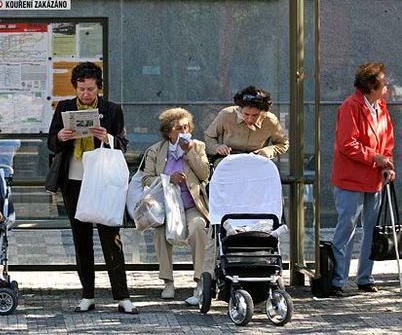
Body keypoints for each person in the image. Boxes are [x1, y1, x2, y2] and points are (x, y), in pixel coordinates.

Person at [47, 61, 138, 314]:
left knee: (112, 238)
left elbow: (123, 144)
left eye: (90, 89)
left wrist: (107, 137)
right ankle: (87, 295)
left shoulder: (111, 109)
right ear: (75, 87)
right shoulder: (64, 107)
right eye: (81, 89)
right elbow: (50, 144)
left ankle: (122, 296)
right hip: (74, 181)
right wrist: (60, 138)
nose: (86, 94)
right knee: (81, 239)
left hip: (103, 180)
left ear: (99, 87)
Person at [329, 62, 395, 297]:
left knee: (371, 229)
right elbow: (347, 144)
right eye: (383, 82)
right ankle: (337, 279)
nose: (386, 85)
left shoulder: (381, 106)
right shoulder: (350, 106)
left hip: (373, 177)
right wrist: (375, 157)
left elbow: (387, 138)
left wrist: (387, 162)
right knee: (347, 227)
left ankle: (365, 277)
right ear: (371, 86)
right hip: (350, 179)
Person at [141, 108, 213, 304]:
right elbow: (146, 179)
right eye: (178, 128)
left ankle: (200, 281)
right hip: (166, 206)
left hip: (191, 205)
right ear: (168, 131)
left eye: (186, 127)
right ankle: (168, 281)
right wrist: (167, 178)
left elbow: (204, 174)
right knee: (159, 231)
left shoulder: (197, 147)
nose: (183, 132)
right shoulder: (155, 150)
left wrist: (189, 152)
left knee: (199, 227)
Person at [204, 85, 289, 161]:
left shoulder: (271, 120)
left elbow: (283, 143)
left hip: (257, 164)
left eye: (255, 115)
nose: (250, 119)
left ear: (263, 112)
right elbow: (209, 136)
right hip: (228, 162)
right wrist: (217, 147)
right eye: (246, 114)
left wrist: (268, 151)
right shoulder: (226, 115)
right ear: (240, 109)